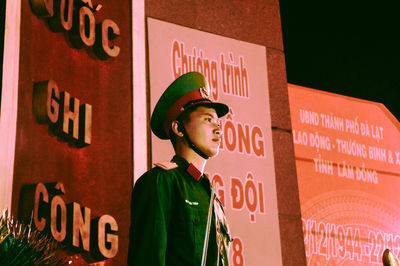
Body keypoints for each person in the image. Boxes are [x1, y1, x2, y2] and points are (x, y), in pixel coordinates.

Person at [128, 72, 232, 265]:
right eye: (207, 120)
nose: (218, 128)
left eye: (218, 122)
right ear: (178, 128)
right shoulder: (161, 181)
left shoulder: (213, 198)